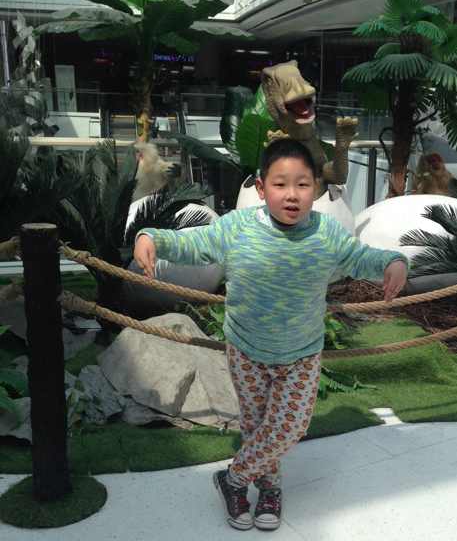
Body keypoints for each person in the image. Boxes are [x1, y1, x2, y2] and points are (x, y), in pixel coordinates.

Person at [133, 138, 408, 531]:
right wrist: (152, 237)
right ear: (262, 188)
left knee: (289, 426)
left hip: (301, 353)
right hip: (246, 349)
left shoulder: (326, 233)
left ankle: (233, 479)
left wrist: (392, 262)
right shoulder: (238, 227)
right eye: (281, 184)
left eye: (302, 184)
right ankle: (269, 488)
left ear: (316, 187)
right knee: (257, 425)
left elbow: (360, 257)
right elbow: (194, 243)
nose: (292, 194)